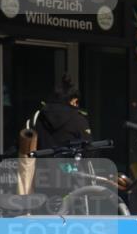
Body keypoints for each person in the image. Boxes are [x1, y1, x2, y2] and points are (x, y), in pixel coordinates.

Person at [32, 73, 92, 213]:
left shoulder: (39, 116)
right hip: (71, 179)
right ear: (73, 101)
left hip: (42, 178)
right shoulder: (78, 119)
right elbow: (90, 150)